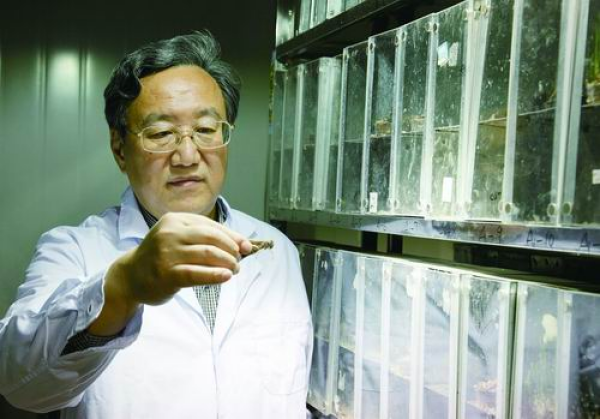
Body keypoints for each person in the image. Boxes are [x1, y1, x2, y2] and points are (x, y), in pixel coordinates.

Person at [0, 31, 312, 418]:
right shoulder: (73, 250)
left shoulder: (277, 251)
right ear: (120, 149)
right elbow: (21, 384)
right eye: (161, 133)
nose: (187, 155)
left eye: (206, 129)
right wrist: (122, 287)